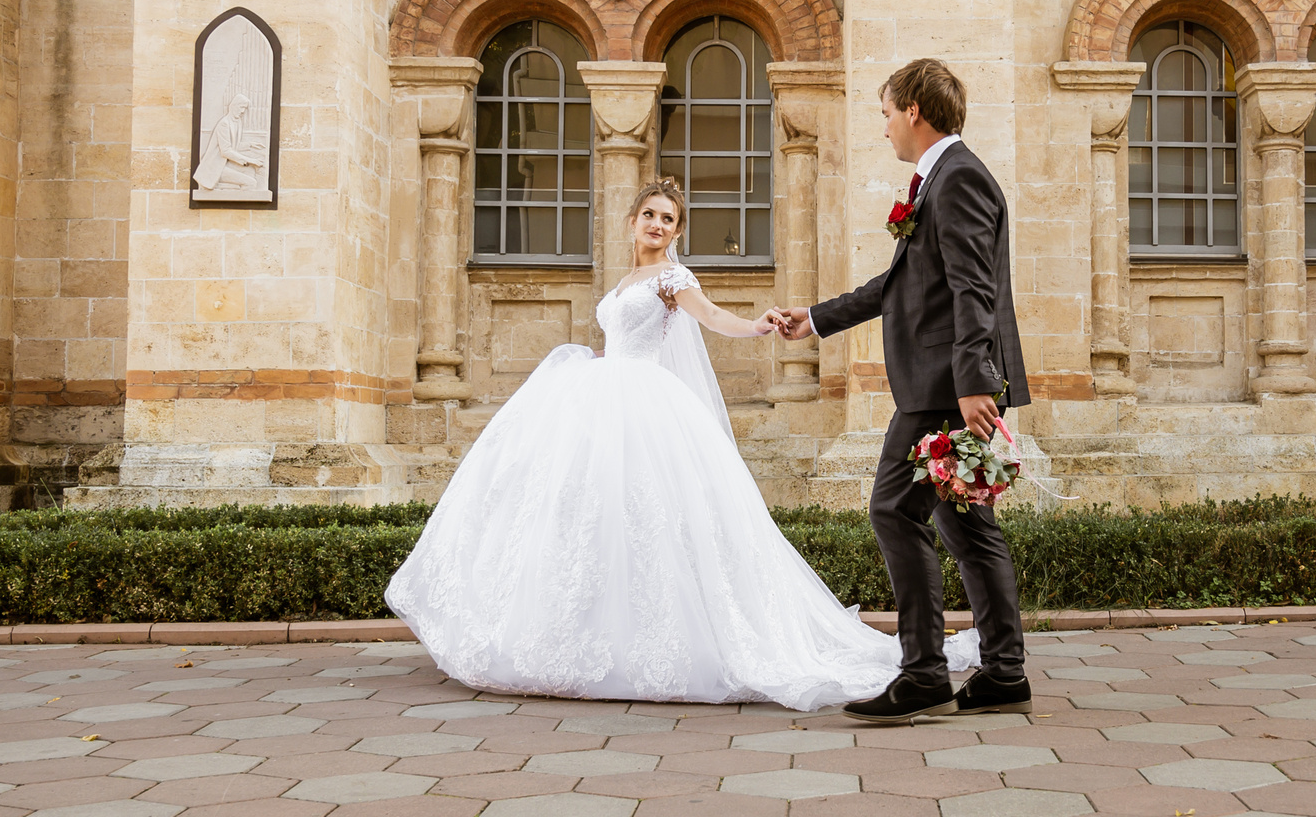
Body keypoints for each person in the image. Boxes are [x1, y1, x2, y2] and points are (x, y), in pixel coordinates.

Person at [385, 178, 971, 710]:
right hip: (602, 396)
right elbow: (619, 336)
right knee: (588, 514)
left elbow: (712, 317)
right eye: (650, 216)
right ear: (631, 222)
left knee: (652, 515)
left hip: (643, 404)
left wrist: (760, 325)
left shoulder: (672, 277)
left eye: (669, 219)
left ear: (677, 232)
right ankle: (589, 631)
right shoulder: (623, 282)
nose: (658, 226)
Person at [769, 58, 1032, 726]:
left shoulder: (959, 177)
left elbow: (975, 288)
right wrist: (818, 318)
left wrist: (976, 381)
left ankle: (922, 671)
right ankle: (1003, 671)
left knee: (894, 510)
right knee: (965, 523)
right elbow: (900, 286)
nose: (884, 126)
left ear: (914, 109)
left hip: (944, 385)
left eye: (886, 112)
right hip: (944, 379)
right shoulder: (939, 178)